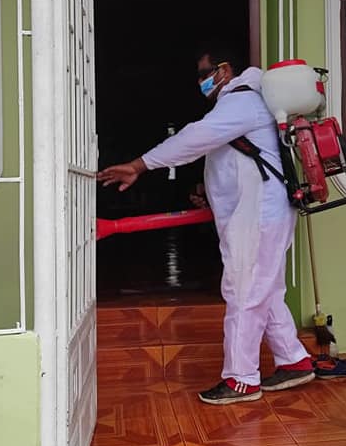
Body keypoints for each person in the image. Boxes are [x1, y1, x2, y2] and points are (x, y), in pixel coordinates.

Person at [96, 49, 315, 404]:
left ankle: (241, 378)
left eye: (203, 73)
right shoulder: (250, 100)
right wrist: (208, 192)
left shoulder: (241, 100)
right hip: (261, 214)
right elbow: (235, 163)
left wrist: (140, 165)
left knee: (244, 291)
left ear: (224, 70)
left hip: (258, 216)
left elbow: (194, 139)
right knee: (265, 290)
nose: (200, 82)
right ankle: (294, 360)